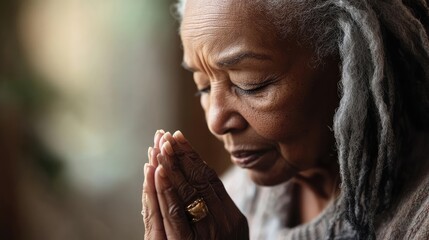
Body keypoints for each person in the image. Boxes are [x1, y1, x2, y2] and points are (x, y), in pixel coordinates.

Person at [142, 0, 429, 239]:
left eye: (250, 83)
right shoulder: (232, 200)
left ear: (351, 65)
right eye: (203, 86)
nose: (215, 121)